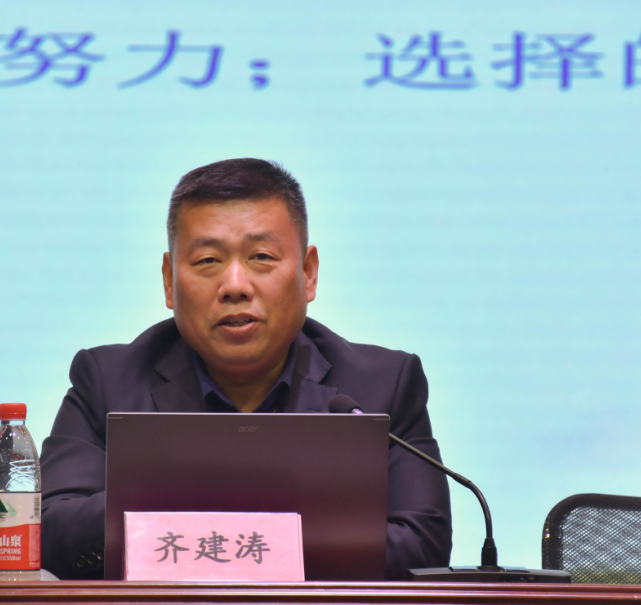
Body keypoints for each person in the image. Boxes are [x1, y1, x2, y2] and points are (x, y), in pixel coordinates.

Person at [40, 158, 451, 580]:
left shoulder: (383, 386)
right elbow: (49, 533)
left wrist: (201, 520)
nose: (235, 285)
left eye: (261, 256)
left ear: (308, 273)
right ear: (169, 281)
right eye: (208, 261)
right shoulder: (107, 381)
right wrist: (231, 498)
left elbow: (424, 549)